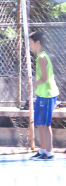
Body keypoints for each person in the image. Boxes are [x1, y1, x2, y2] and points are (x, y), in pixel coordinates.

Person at [29, 30, 59, 161]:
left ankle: (49, 152)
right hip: (42, 94)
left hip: (47, 95)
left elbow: (45, 78)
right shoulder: (40, 56)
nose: (30, 46)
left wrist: (32, 84)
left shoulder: (42, 57)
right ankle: (42, 150)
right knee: (40, 123)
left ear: (38, 42)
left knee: (46, 124)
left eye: (31, 43)